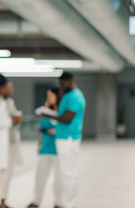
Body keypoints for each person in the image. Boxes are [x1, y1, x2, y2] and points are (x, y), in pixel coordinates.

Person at [43, 72, 86, 208]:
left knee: (68, 173)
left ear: (70, 81)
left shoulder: (74, 96)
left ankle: (69, 203)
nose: (61, 87)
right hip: (65, 138)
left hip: (68, 139)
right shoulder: (70, 95)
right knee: (68, 171)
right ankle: (68, 202)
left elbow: (67, 118)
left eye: (62, 84)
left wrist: (48, 114)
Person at [0, 74, 23, 208]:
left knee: (9, 171)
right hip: (2, 143)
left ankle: (4, 200)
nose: (11, 90)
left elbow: (12, 116)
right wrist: (10, 121)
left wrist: (17, 119)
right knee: (5, 172)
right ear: (1, 88)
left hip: (11, 142)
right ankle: (2, 201)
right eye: (9, 87)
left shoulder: (9, 101)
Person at [27, 87, 62, 208]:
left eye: (50, 95)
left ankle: (58, 202)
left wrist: (56, 131)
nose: (48, 98)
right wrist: (38, 146)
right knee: (40, 177)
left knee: (58, 178)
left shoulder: (62, 113)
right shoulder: (45, 111)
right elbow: (42, 131)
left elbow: (66, 128)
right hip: (45, 148)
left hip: (58, 150)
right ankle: (36, 201)